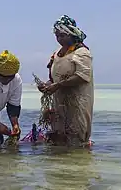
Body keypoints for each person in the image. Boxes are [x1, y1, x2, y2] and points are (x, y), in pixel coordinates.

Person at [38, 15, 94, 147]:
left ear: (72, 34)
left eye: (63, 36)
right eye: (57, 36)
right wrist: (47, 86)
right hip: (60, 101)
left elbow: (82, 76)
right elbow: (53, 78)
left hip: (77, 102)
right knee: (59, 135)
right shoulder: (56, 53)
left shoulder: (81, 52)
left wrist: (58, 85)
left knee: (77, 136)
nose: (60, 39)